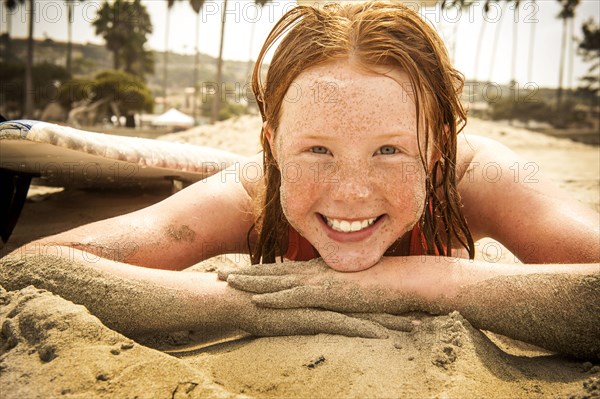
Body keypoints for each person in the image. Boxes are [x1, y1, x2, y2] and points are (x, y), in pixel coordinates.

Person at [1, 1, 598, 358]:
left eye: (389, 150)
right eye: (316, 150)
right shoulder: (251, 193)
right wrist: (245, 306)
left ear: (437, 151)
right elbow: (32, 269)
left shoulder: (475, 178)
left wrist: (439, 281)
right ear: (273, 150)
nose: (351, 193)